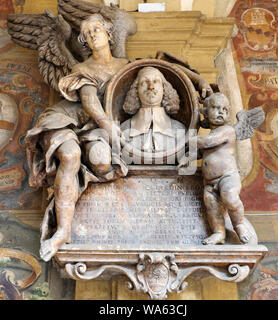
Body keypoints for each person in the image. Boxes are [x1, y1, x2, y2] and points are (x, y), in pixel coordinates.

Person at [25, 14, 129, 261]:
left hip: (91, 129)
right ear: (84, 43)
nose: (92, 34)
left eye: (96, 29)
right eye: (86, 34)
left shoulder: (126, 64)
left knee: (103, 162)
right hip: (64, 121)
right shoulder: (82, 69)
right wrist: (107, 125)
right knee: (70, 156)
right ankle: (62, 232)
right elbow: (90, 100)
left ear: (109, 34)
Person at [178, 93, 251, 245]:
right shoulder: (212, 133)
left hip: (228, 177)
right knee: (211, 207)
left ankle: (239, 224)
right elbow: (201, 152)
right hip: (210, 182)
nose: (220, 112)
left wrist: (187, 139)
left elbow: (208, 142)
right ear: (205, 112)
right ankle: (219, 233)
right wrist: (187, 158)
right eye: (216, 108)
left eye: (224, 110)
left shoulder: (227, 131)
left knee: (230, 198)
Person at [120, 67, 186, 163]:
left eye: (156, 81)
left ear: (164, 89)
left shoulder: (179, 130)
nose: (151, 87)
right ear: (136, 90)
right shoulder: (124, 130)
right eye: (145, 82)